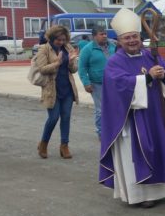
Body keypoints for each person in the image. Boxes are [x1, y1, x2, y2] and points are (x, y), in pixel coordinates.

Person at [98, 9, 165, 208]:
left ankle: (160, 191)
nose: (132, 41)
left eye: (134, 37)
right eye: (127, 38)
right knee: (135, 155)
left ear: (140, 37)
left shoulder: (150, 55)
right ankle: (140, 195)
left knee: (160, 149)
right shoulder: (114, 62)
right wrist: (146, 78)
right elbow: (117, 86)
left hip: (156, 115)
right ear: (119, 40)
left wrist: (163, 75)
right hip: (132, 119)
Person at [35, 25, 79, 159]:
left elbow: (74, 70)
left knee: (66, 117)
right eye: (58, 40)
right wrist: (57, 62)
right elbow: (42, 68)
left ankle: (64, 146)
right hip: (52, 90)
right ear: (52, 38)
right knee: (53, 118)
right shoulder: (44, 49)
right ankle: (43, 143)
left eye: (63, 39)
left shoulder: (68, 48)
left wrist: (71, 62)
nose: (61, 42)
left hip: (67, 89)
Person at [78, 25, 116, 139]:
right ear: (94, 36)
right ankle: (101, 132)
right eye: (101, 34)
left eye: (105, 34)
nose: (104, 36)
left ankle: (113, 130)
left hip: (114, 83)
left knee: (114, 108)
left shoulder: (113, 46)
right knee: (100, 109)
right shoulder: (87, 49)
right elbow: (82, 68)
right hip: (97, 84)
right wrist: (86, 83)